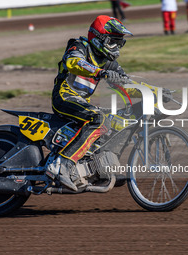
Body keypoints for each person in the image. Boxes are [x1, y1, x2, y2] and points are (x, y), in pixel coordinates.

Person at [46, 15, 132, 191]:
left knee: (122, 118)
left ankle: (103, 168)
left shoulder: (109, 62)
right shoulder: (78, 46)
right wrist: (99, 72)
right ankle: (61, 165)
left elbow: (128, 85)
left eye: (119, 42)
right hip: (65, 97)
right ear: (99, 38)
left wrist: (155, 92)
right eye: (113, 41)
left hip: (82, 103)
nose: (116, 47)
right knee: (99, 119)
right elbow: (73, 62)